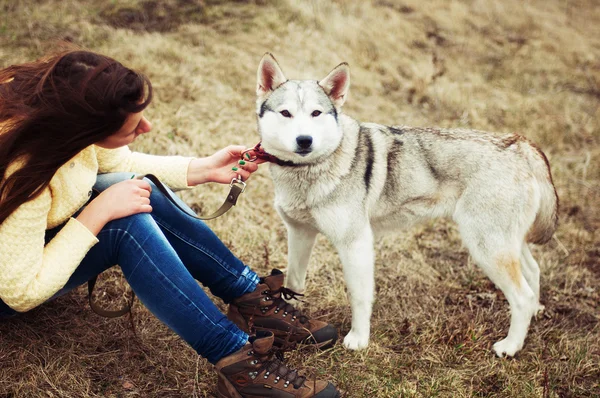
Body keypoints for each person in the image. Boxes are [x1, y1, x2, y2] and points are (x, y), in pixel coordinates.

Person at [0, 48, 340, 398]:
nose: (146, 128)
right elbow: (19, 291)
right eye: (134, 126)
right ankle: (238, 362)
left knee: (133, 186)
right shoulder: (22, 171)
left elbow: (117, 162)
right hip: (8, 283)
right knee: (125, 223)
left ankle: (252, 301)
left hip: (21, 249)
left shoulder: (57, 111)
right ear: (87, 127)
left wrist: (202, 169)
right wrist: (97, 213)